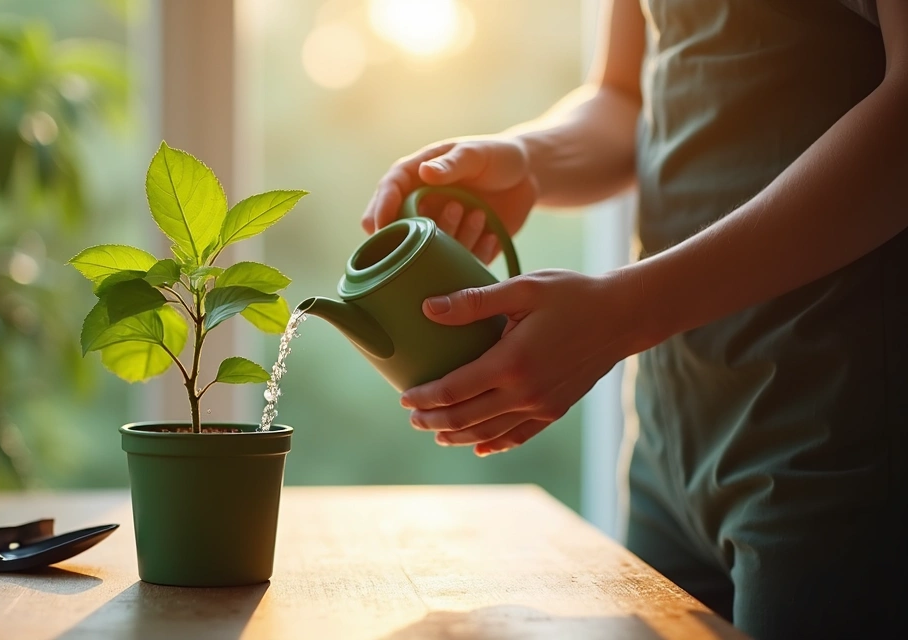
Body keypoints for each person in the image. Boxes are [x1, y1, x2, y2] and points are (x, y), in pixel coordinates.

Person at [361, 1, 906, 637]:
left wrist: (624, 314)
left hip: (836, 436)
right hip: (669, 443)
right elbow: (625, 93)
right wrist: (529, 159)